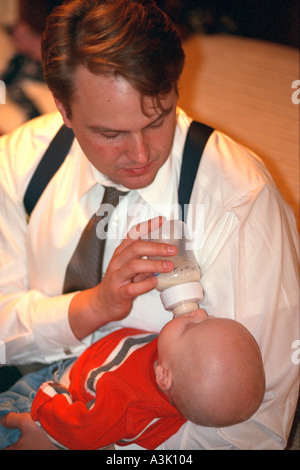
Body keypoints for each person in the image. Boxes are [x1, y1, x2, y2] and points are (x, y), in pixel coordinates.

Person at [0, 0, 298, 450]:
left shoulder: (240, 202)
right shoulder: (22, 162)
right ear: (63, 109)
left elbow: (253, 429)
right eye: (110, 133)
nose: (141, 156)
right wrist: (90, 308)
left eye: (157, 120)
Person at [2, 310, 265, 450]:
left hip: (47, 401)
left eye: (194, 326)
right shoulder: (177, 369)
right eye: (209, 319)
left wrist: (50, 395)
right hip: (79, 365)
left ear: (164, 376)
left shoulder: (124, 402)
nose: (200, 312)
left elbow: (80, 433)